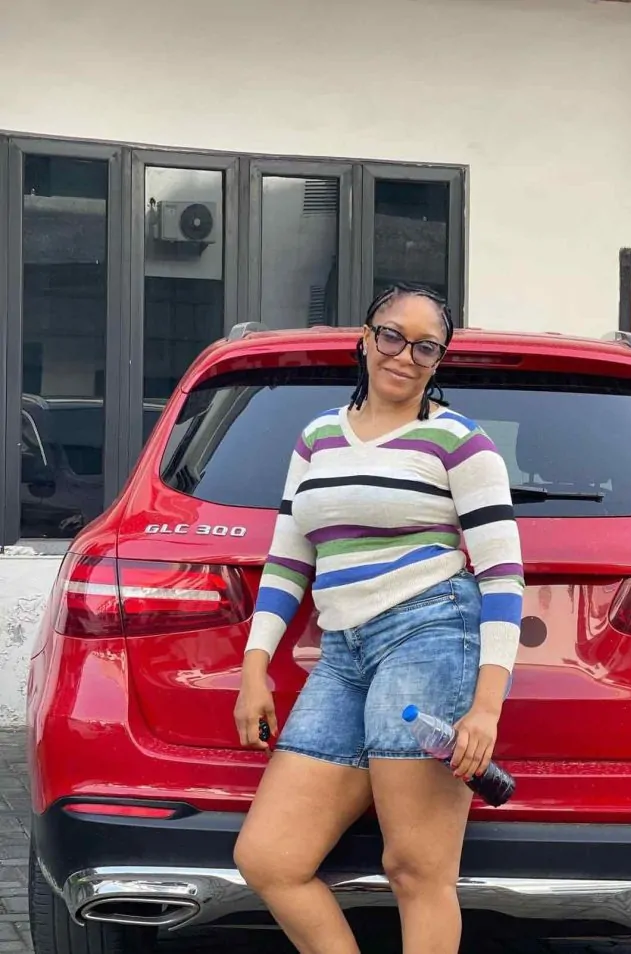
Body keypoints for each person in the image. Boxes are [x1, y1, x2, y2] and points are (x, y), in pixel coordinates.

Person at [233, 282, 525, 954]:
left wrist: (486, 708)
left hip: (430, 636)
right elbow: (288, 562)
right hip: (343, 654)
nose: (404, 355)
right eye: (392, 335)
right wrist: (254, 669)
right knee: (270, 856)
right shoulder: (317, 439)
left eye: (426, 347)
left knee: (416, 870)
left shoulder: (460, 441)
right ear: (365, 338)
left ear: (439, 360)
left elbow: (503, 575)